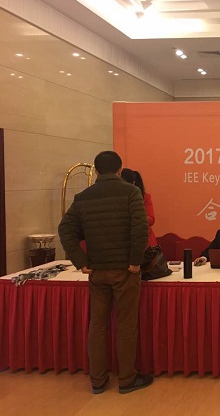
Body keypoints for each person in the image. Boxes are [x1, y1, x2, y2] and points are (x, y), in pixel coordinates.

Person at [58, 151, 153, 394]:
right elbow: (140, 228)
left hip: (97, 271)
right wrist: (135, 261)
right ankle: (127, 379)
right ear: (120, 170)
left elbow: (65, 230)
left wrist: (80, 261)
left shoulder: (83, 197)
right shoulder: (131, 192)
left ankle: (98, 380)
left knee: (97, 326)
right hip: (125, 270)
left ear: (97, 171)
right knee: (126, 325)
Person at [121, 168, 157, 247]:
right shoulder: (118, 199)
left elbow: (151, 219)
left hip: (145, 241)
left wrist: (136, 216)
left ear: (133, 183)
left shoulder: (145, 197)